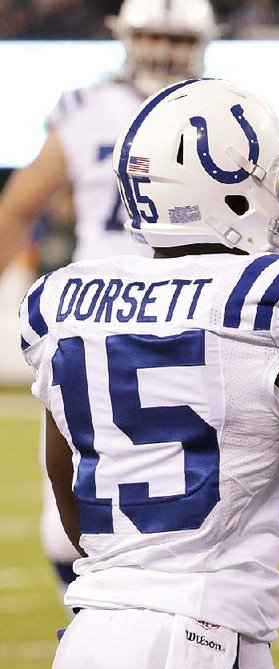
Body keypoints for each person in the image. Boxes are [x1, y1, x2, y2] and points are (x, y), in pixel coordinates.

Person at [19, 78, 279, 669]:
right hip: (198, 640)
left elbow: (74, 501)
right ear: (227, 191)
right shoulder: (273, 299)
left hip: (88, 636)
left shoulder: (66, 300)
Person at [0, 0, 217, 606]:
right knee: (74, 482)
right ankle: (100, 609)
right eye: (149, 35)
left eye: (174, 38)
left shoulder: (224, 105)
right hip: (102, 306)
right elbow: (20, 206)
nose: (161, 49)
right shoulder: (86, 107)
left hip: (194, 303)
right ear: (126, 37)